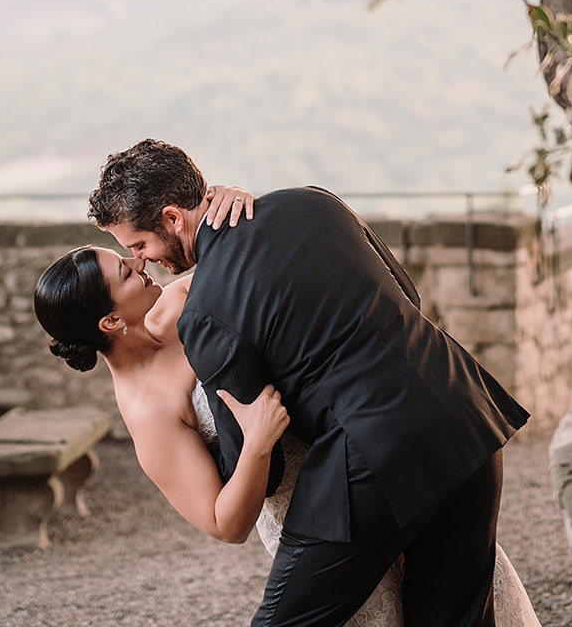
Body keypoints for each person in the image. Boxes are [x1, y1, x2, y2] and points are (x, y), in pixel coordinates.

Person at [86, 139, 532, 627]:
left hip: (376, 455)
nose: (145, 261)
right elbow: (409, 293)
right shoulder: (314, 199)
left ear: (173, 218)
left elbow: (268, 468)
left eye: (139, 246)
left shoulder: (204, 314)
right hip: (466, 408)